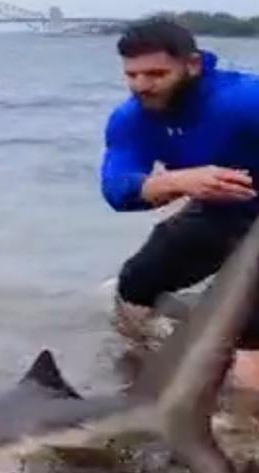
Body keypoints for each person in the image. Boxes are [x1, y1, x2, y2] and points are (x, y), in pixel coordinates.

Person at [101, 16, 259, 390]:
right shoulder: (131, 119)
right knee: (135, 286)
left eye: (155, 74)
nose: (141, 86)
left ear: (193, 65)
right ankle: (145, 380)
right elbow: (117, 190)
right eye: (132, 75)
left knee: (249, 330)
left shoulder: (243, 101)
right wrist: (177, 181)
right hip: (220, 213)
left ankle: (242, 432)